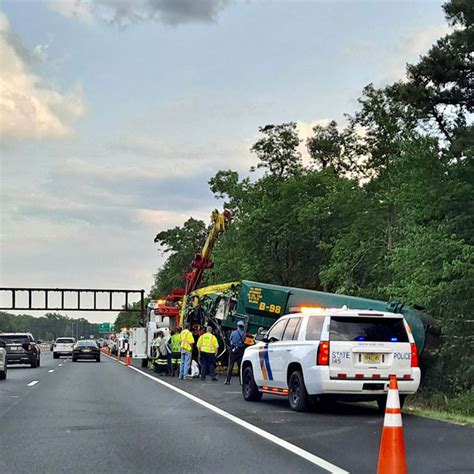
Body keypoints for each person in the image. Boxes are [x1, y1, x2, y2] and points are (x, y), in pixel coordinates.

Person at [224, 320, 246, 385]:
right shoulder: (243, 334)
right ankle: (241, 382)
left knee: (231, 365)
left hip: (233, 350)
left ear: (237, 326)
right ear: (242, 327)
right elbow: (244, 341)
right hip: (240, 350)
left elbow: (230, 340)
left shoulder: (233, 333)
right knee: (240, 367)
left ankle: (227, 381)